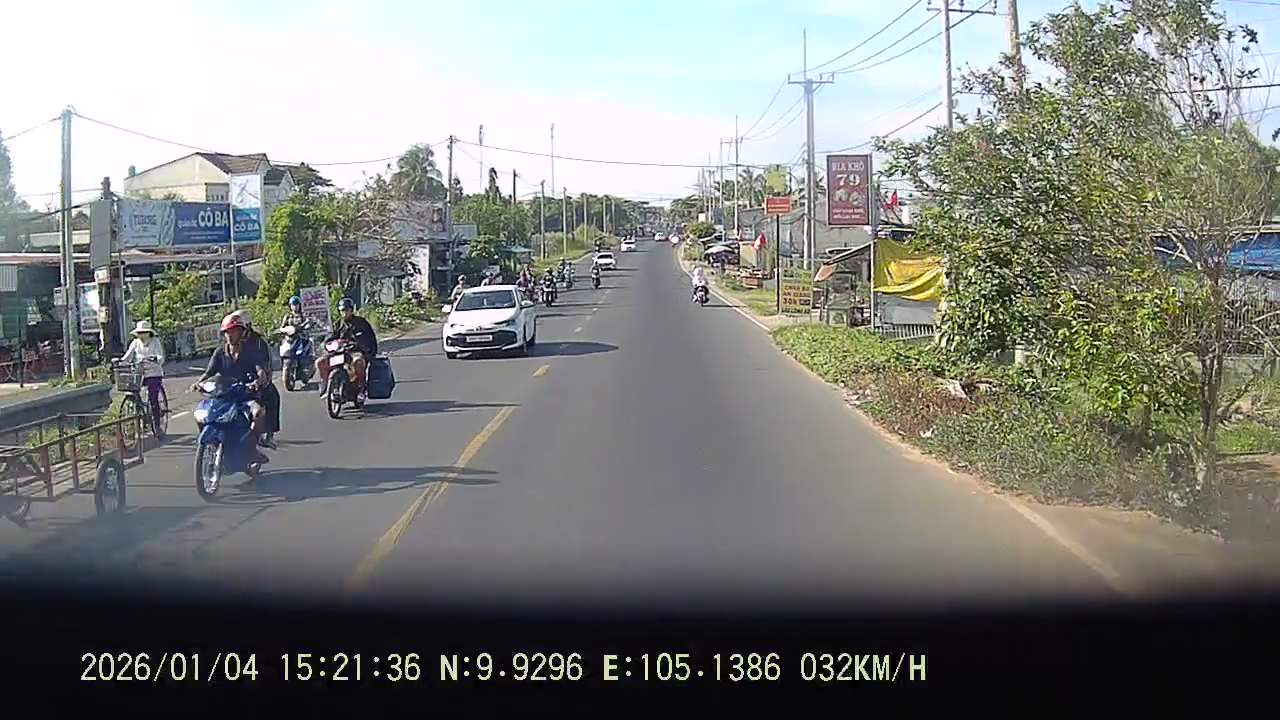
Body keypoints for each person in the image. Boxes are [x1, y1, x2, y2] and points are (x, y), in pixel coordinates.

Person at [190, 313, 271, 464]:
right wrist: (198, 383)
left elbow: (260, 370)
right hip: (223, 396)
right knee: (201, 414)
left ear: (241, 333)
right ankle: (211, 442)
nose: (230, 335)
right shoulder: (219, 352)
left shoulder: (251, 351)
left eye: (234, 331)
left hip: (244, 396)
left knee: (258, 413)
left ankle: (252, 450)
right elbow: (209, 372)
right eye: (227, 332)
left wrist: (258, 381)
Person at [231, 310, 280, 449]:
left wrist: (263, 379)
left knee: (272, 396)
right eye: (233, 329)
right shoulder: (230, 342)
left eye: (239, 329)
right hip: (234, 380)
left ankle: (269, 435)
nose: (234, 333)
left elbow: (266, 364)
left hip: (255, 379)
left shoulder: (258, 342)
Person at [317, 298, 378, 397]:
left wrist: (359, 345)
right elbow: (330, 337)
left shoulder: (361, 323)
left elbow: (369, 340)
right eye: (342, 310)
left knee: (358, 361)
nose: (344, 312)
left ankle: (361, 387)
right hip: (340, 352)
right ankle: (325, 385)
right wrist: (327, 344)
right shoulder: (338, 323)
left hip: (354, 352)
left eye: (346, 310)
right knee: (320, 362)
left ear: (351, 310)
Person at [118, 320, 167, 429]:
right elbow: (128, 356)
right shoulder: (135, 343)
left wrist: (155, 358)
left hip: (154, 373)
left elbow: (160, 357)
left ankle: (157, 425)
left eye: (143, 332)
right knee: (133, 391)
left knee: (153, 398)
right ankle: (141, 415)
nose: (141, 335)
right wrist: (120, 362)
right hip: (139, 372)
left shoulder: (155, 342)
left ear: (149, 333)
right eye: (139, 333)